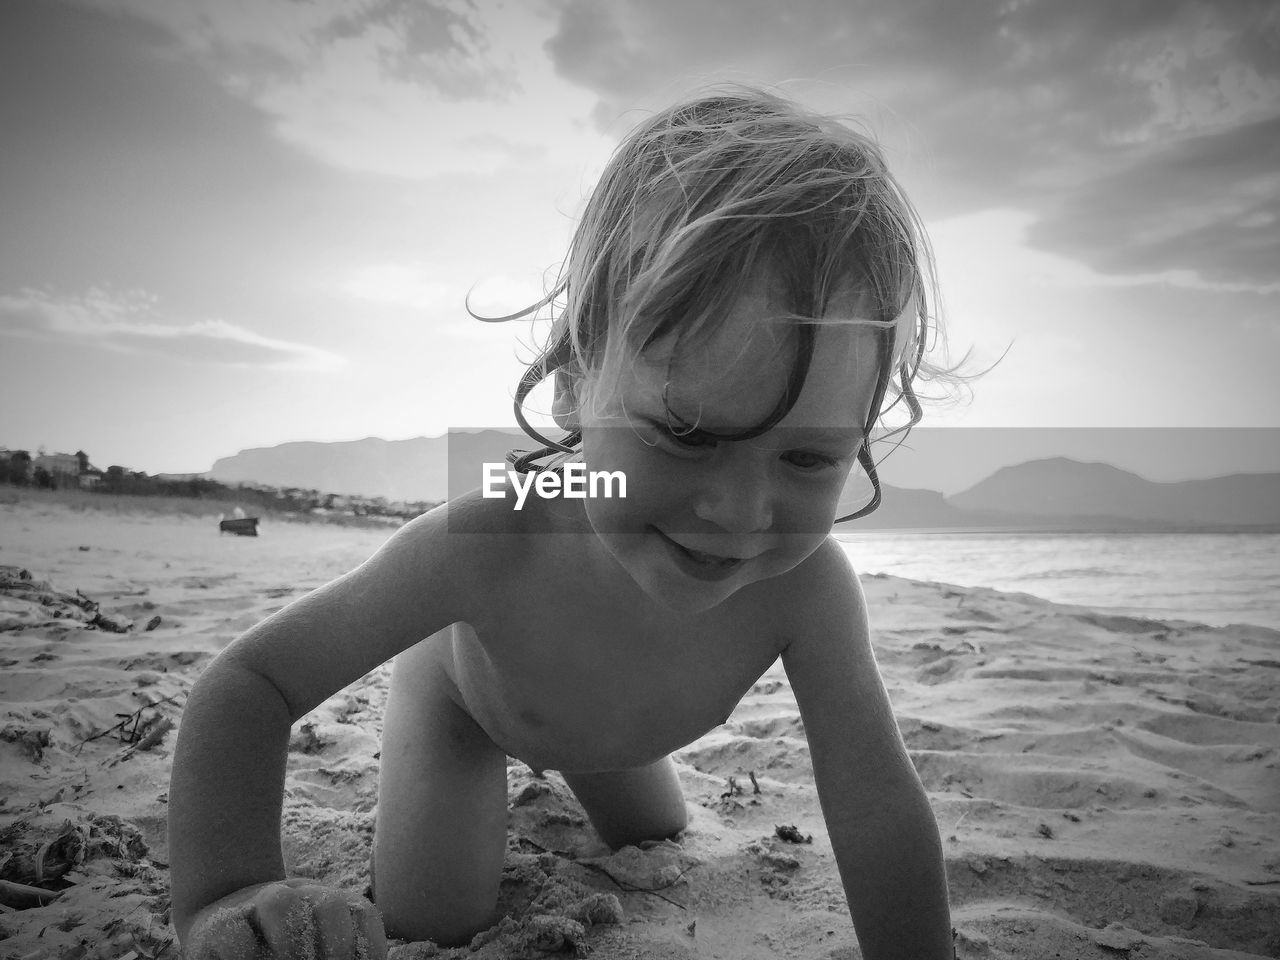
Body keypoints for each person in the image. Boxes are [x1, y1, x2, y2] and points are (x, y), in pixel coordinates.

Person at [170, 85, 956, 959]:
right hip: (474, 712)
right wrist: (225, 892)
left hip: (613, 733)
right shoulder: (494, 536)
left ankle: (595, 766)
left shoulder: (811, 590)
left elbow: (875, 804)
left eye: (808, 459)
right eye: (686, 435)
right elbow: (251, 685)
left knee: (656, 831)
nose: (739, 514)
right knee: (437, 919)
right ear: (577, 380)